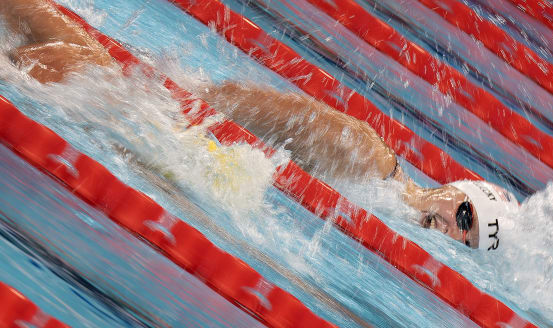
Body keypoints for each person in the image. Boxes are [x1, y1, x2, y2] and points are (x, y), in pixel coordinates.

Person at [0, 0, 518, 250]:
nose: (453, 229)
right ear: (457, 189)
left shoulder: (386, 210)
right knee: (73, 66)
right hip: (178, 128)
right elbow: (271, 112)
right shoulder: (372, 161)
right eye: (467, 216)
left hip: (187, 148)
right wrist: (185, 100)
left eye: (464, 240)